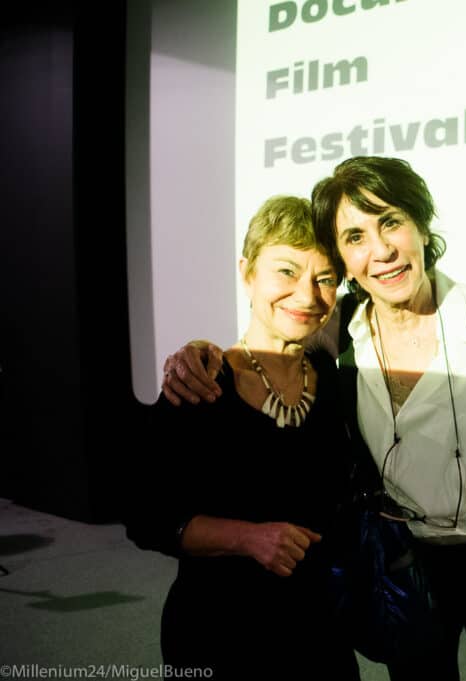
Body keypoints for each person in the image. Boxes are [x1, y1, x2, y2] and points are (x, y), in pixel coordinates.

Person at [162, 156, 466, 681]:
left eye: (390, 222)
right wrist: (198, 351)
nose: (380, 251)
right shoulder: (337, 331)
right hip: (401, 560)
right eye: (355, 236)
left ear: (421, 227)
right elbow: (268, 337)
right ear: (344, 259)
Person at [125, 195, 362, 680]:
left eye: (324, 279)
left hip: (320, 633)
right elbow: (145, 519)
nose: (307, 295)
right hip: (220, 634)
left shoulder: (335, 381)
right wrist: (248, 538)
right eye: (286, 271)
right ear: (247, 272)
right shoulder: (199, 384)